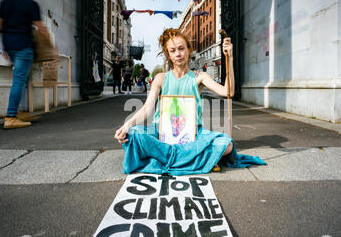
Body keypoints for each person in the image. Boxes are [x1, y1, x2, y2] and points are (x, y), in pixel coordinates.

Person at [114, 28, 266, 175]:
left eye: (181, 49)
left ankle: (164, 159)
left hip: (193, 134)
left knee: (226, 144)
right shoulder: (161, 78)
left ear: (188, 50)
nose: (178, 54)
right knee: (133, 135)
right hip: (161, 134)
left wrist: (230, 58)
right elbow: (147, 108)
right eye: (173, 51)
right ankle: (191, 160)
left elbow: (229, 92)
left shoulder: (199, 76)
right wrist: (126, 126)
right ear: (168, 54)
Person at [0, 0, 52, 130]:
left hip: (11, 47)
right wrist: (51, 47)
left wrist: (5, 46)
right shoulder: (30, 4)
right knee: (19, 80)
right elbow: (41, 29)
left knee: (22, 79)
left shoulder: (6, 2)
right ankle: (11, 116)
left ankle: (16, 112)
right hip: (24, 47)